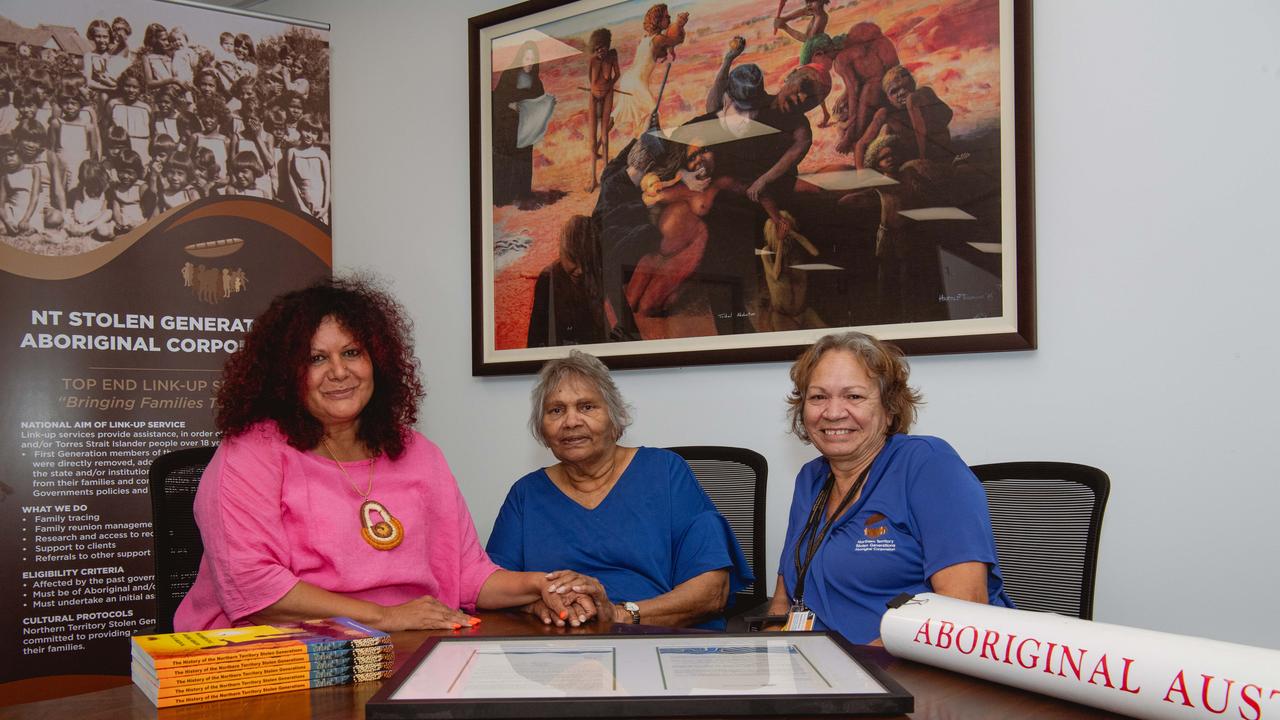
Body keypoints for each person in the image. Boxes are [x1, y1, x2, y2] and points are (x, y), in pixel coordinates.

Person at [173, 278, 607, 632]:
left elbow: (467, 575)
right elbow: (258, 591)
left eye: (351, 353)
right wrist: (387, 617)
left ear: (377, 360)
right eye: (316, 358)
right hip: (275, 658)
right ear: (286, 373)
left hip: (402, 649)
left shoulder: (419, 454)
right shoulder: (250, 454)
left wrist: (544, 585)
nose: (339, 372)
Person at [765, 332, 1014, 644]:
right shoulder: (810, 479)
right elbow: (783, 601)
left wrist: (857, 669)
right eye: (818, 397)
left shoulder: (928, 465)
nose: (832, 412)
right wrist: (773, 656)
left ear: (889, 408)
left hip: (915, 673)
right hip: (821, 670)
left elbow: (964, 606)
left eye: (853, 396)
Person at [487, 350, 753, 629]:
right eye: (556, 410)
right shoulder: (526, 494)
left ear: (616, 419)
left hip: (653, 639)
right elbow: (488, 586)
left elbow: (712, 592)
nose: (571, 421)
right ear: (542, 430)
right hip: (558, 650)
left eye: (587, 406)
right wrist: (537, 604)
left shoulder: (666, 473)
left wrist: (618, 614)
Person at [491, 41, 544, 209]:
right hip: (507, 126)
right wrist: (512, 105)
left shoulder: (536, 81)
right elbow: (498, 98)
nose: (529, 62)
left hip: (525, 128)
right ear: (520, 58)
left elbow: (540, 102)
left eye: (532, 59)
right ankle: (505, 195)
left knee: (524, 160)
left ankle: (522, 194)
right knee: (507, 160)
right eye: (527, 58)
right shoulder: (509, 75)